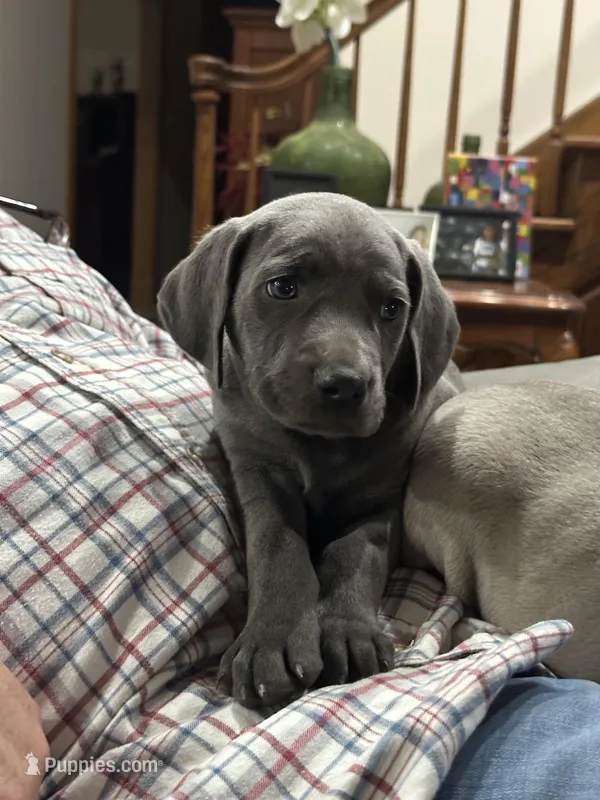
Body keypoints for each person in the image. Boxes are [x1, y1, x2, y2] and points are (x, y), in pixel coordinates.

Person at [2, 206, 600, 799]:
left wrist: (350, 600)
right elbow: (262, 487)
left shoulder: (403, 407)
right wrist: (279, 602)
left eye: (386, 309)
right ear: (221, 301)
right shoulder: (239, 394)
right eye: (284, 288)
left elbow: (380, 508)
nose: (346, 364)